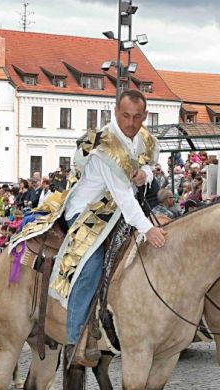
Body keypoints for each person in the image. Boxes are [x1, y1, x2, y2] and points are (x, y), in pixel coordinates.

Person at [61, 90, 167, 366]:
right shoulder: (105, 145)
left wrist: (147, 173)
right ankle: (74, 340)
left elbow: (152, 163)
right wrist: (147, 229)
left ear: (145, 115)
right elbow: (122, 194)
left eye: (137, 117)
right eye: (125, 116)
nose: (131, 123)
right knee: (92, 263)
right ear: (115, 112)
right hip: (90, 210)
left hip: (121, 211)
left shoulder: (144, 138)